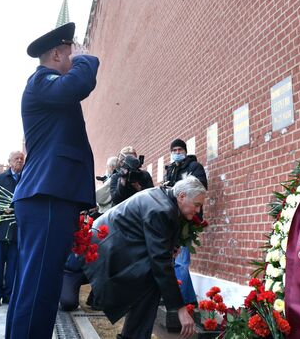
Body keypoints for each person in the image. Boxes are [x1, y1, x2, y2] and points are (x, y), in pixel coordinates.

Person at [6, 22, 99, 339]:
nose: (75, 60)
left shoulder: (47, 86)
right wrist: (88, 58)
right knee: (41, 287)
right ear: (58, 53)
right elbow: (78, 85)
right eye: (71, 54)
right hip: (47, 195)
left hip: (48, 194)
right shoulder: (42, 81)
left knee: (33, 284)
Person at [84, 176, 205, 339]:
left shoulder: (165, 198)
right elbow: (160, 262)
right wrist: (179, 308)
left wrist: (171, 246)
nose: (198, 211)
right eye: (197, 205)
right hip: (101, 248)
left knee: (150, 282)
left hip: (109, 245)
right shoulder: (161, 209)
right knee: (151, 280)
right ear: (182, 196)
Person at [164, 138, 208, 305]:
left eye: (179, 150)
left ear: (185, 151)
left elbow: (200, 187)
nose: (176, 153)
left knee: (181, 261)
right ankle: (189, 299)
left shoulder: (194, 167)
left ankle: (180, 301)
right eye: (174, 150)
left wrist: (181, 185)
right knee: (176, 260)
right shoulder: (170, 169)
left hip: (189, 218)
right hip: (173, 216)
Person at [0, 151, 23, 307]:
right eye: (16, 159)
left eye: (21, 159)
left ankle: (9, 294)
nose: (20, 161)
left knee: (13, 265)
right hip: (0, 228)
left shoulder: (27, 178)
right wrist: (2, 209)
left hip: (18, 229)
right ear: (10, 162)